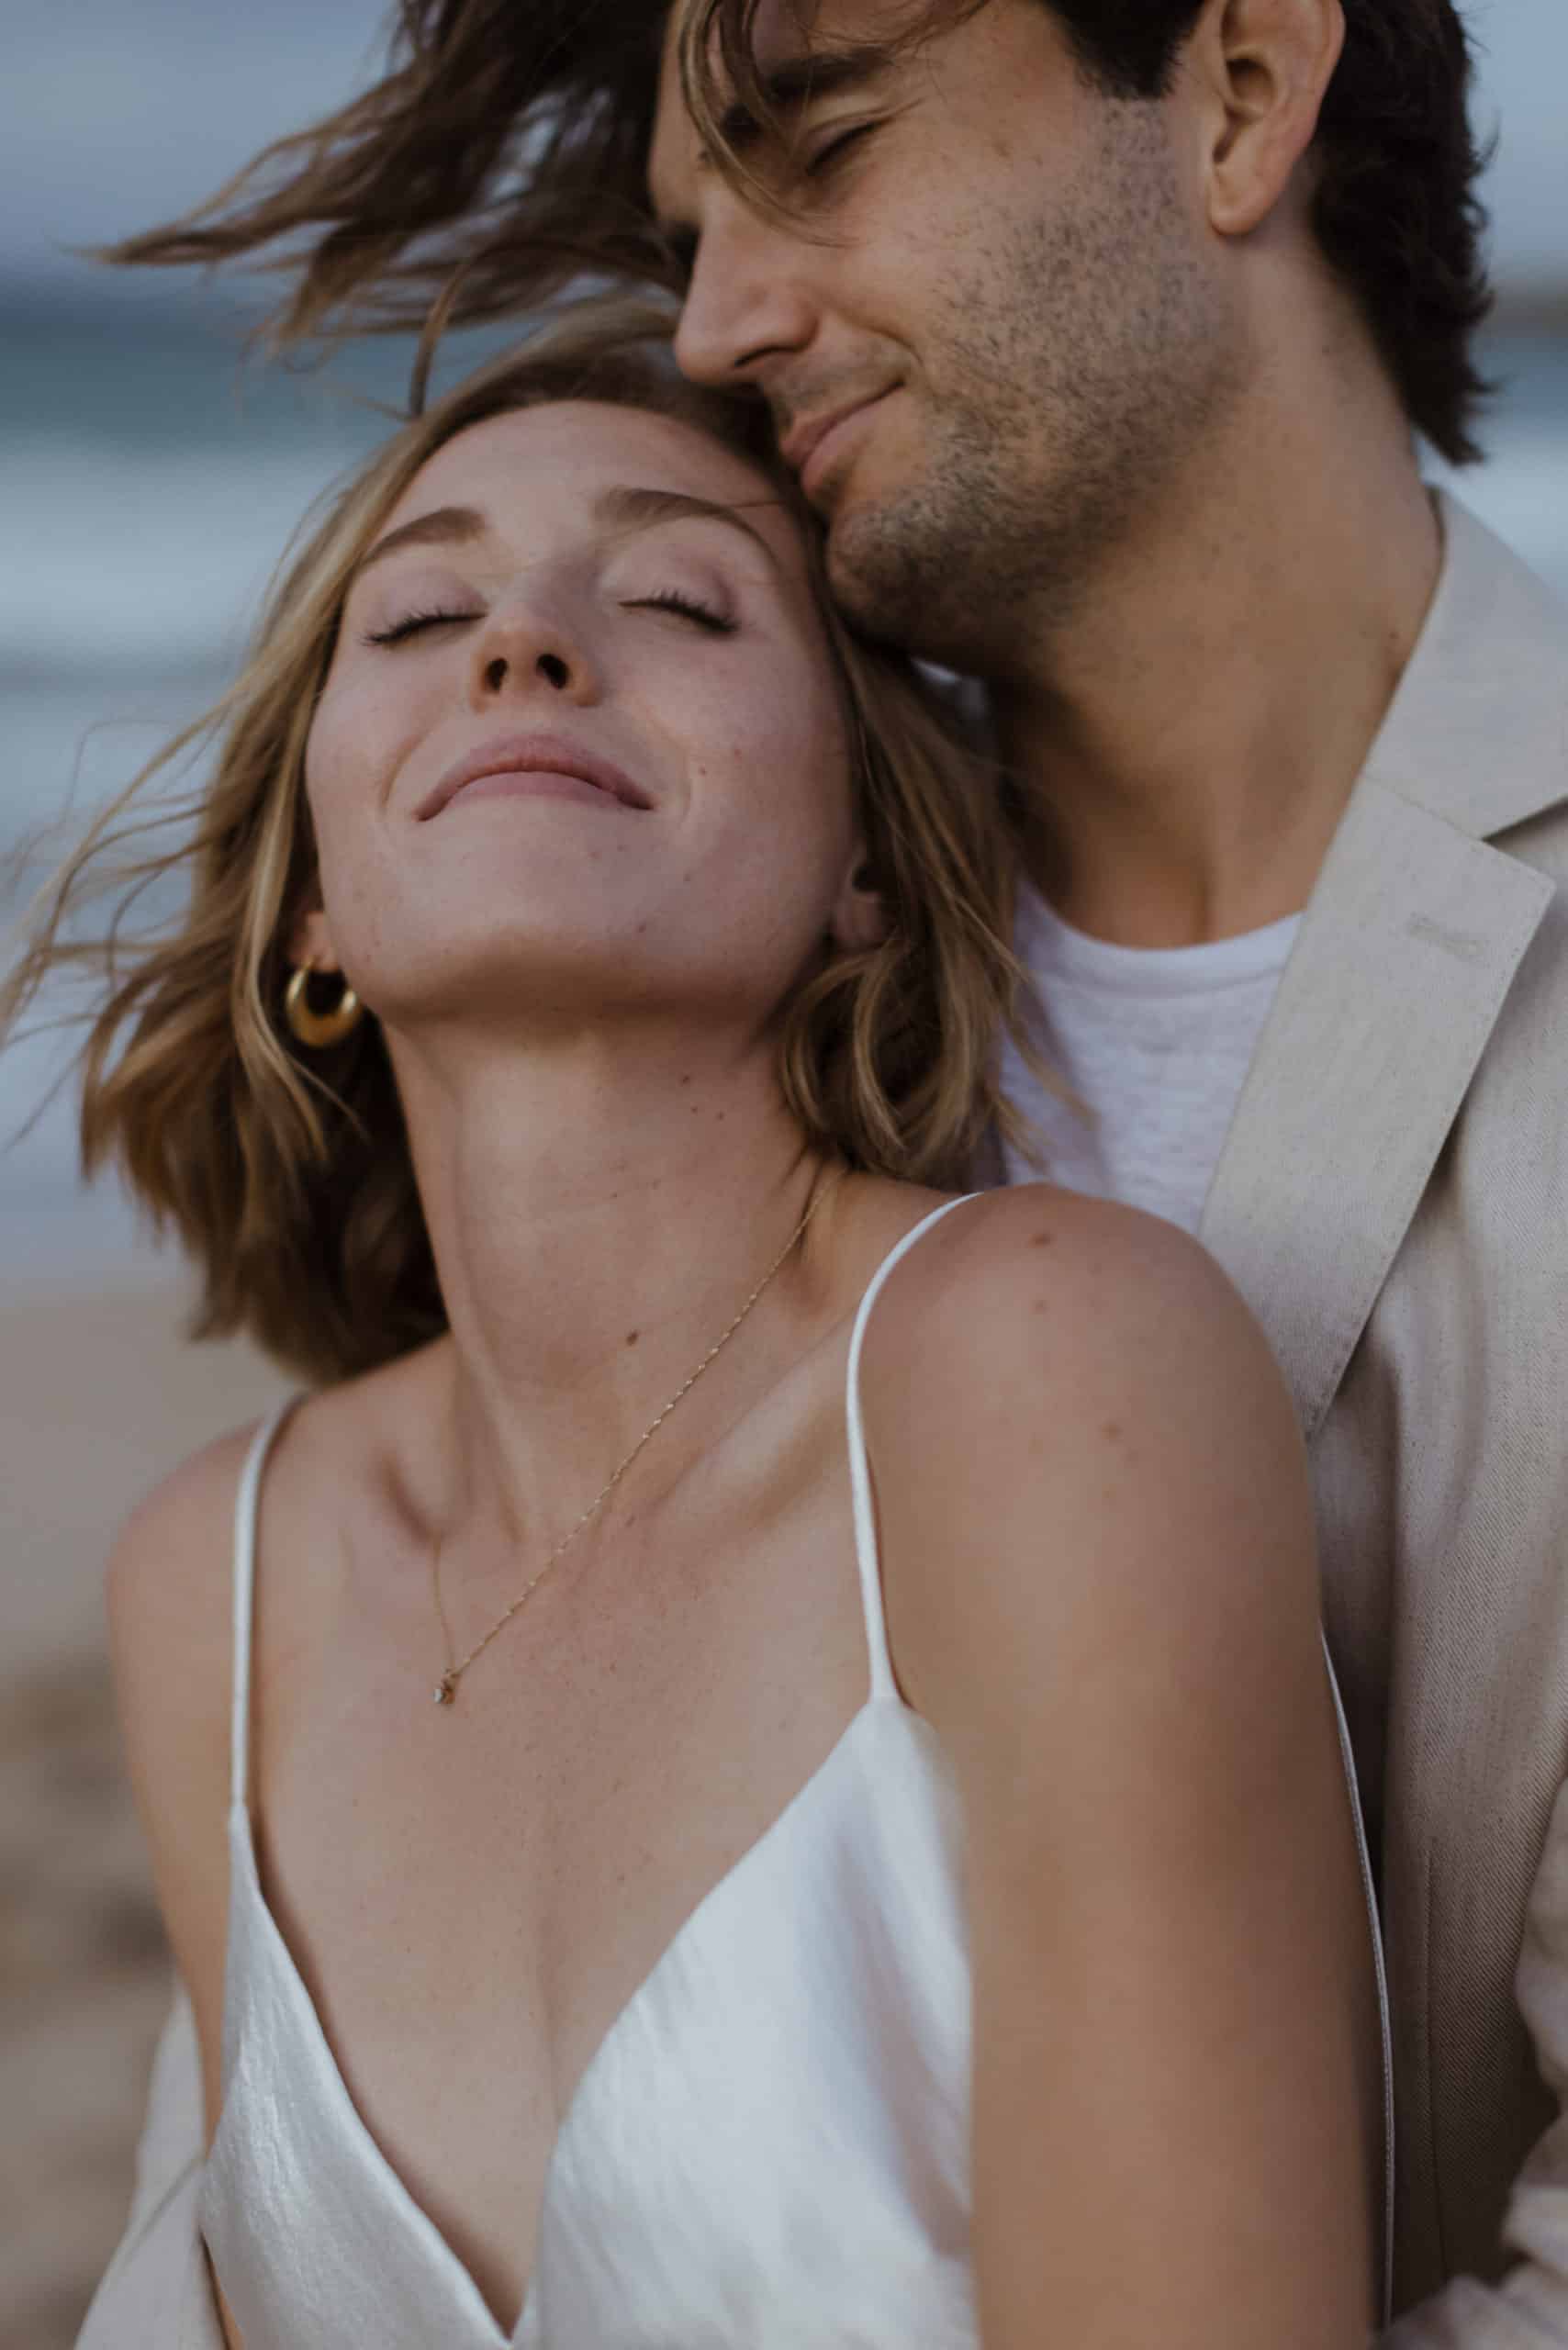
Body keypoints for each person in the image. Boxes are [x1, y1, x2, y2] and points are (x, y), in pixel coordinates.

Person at [102, 0, 1568, 2332]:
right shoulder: (683, 953)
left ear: (1236, 92)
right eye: (689, 230)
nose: (718, 320)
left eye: (824, 147)